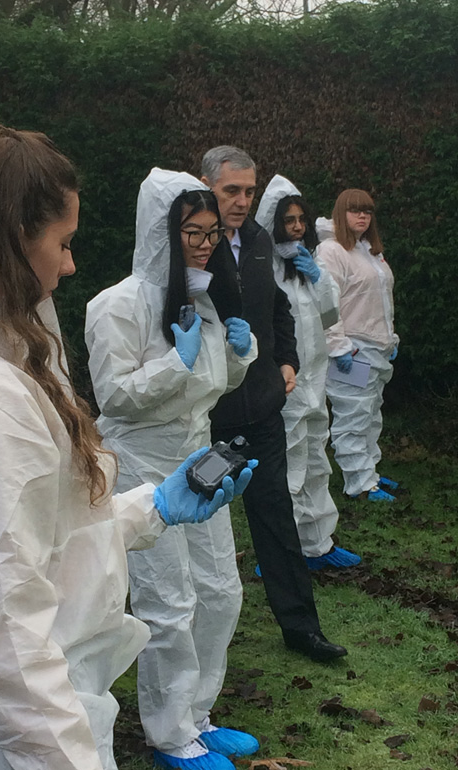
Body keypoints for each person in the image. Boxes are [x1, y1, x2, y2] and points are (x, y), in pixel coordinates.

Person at [0, 123, 253, 770]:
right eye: (63, 242)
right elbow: (11, 639)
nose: (70, 264)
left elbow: (37, 545)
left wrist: (148, 510)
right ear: (13, 239)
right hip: (21, 734)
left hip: (19, 720)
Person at [85, 168, 260, 770]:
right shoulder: (116, 305)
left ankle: (198, 711)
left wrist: (239, 352)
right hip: (140, 460)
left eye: (212, 231)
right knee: (169, 602)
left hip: (195, 454)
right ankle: (169, 730)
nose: (205, 242)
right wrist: (172, 363)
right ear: (163, 230)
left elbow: (214, 386)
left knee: (221, 590)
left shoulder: (204, 299)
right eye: (193, 230)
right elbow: (114, 398)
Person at [201, 146, 348, 661]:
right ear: (206, 186)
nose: (241, 202)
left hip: (262, 405)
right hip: (205, 412)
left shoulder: (260, 241)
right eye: (230, 191)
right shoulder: (188, 246)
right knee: (197, 525)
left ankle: (301, 628)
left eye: (248, 191)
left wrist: (285, 360)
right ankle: (193, 639)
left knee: (276, 516)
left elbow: (279, 307)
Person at [254, 174, 361, 570]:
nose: (297, 227)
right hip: (284, 382)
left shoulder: (307, 264)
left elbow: (329, 314)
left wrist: (320, 280)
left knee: (316, 460)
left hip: (314, 380)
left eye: (301, 219)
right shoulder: (263, 268)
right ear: (275, 223)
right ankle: (279, 551)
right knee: (288, 466)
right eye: (288, 220)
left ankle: (318, 543)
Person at [316, 189, 399, 501]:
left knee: (371, 414)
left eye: (367, 211)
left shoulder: (368, 250)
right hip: (351, 350)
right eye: (354, 210)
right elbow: (326, 303)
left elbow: (380, 300)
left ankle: (370, 471)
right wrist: (338, 346)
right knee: (353, 415)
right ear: (341, 213)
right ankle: (359, 483)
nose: (362, 216)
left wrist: (392, 337)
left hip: (377, 348)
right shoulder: (331, 251)